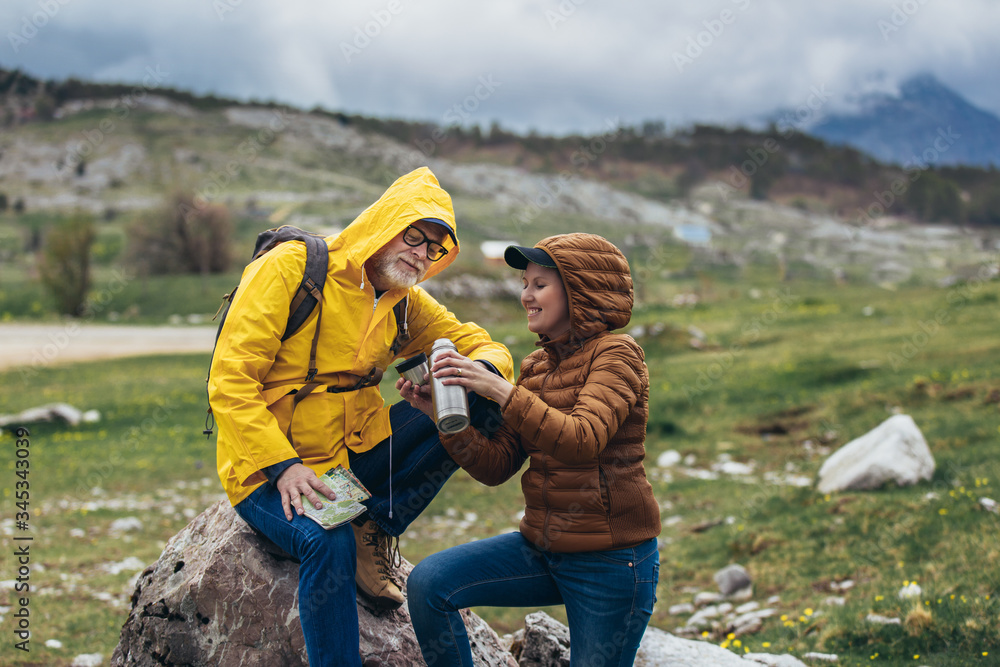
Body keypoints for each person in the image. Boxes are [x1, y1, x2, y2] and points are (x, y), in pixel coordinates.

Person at [208, 166, 514, 667]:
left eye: (435, 247)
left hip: (353, 456)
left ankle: (374, 524)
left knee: (482, 400)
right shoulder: (291, 269)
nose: (421, 252)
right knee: (326, 540)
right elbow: (231, 380)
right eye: (412, 235)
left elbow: (483, 344)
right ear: (383, 223)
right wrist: (283, 466)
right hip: (270, 466)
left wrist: (475, 370)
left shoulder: (404, 301)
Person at [399, 232, 662, 666]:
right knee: (431, 583)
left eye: (540, 284)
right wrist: (443, 419)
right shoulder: (537, 366)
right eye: (525, 284)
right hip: (542, 548)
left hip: (611, 564)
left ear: (580, 290)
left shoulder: (618, 355)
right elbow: (497, 464)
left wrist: (501, 391)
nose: (526, 296)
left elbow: (582, 439)